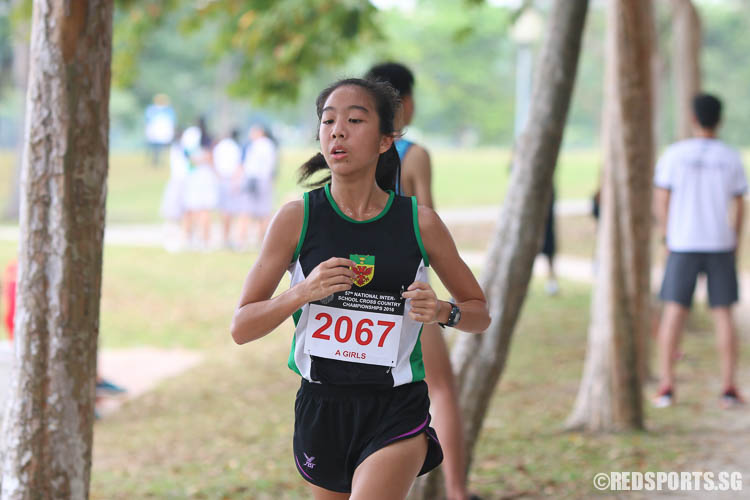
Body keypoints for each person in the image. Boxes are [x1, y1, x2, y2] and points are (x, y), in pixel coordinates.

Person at [231, 78, 490, 499]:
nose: (337, 130)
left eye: (354, 120)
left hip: (396, 406)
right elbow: (241, 327)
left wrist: (444, 311)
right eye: (328, 120)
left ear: (387, 140)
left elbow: (479, 312)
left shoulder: (419, 223)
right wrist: (302, 292)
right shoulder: (297, 219)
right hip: (322, 406)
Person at [365, 62, 475, 500]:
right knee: (442, 389)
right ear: (406, 104)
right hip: (409, 292)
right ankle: (457, 491)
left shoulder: (352, 148)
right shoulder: (415, 154)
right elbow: (427, 225)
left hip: (355, 293)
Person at [652, 93, 746, 410]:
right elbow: (740, 203)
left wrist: (666, 236)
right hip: (720, 243)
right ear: (719, 120)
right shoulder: (731, 157)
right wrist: (736, 240)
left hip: (683, 244)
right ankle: (729, 387)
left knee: (674, 314)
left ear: (693, 118)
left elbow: (661, 199)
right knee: (723, 315)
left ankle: (666, 385)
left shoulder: (674, 155)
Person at [242, 125, 278, 245]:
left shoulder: (257, 145)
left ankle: (243, 240)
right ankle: (262, 240)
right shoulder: (268, 145)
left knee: (250, 210)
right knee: (263, 211)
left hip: (255, 179)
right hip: (263, 179)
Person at [213, 129, 246, 248]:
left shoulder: (219, 146)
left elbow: (214, 163)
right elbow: (239, 165)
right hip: (232, 180)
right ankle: (231, 238)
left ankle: (225, 237)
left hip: (221, 179)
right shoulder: (235, 147)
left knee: (224, 210)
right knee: (232, 211)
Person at [144, 94, 176, 166]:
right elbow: (148, 120)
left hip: (163, 131)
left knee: (162, 147)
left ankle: (160, 160)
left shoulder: (168, 110)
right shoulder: (152, 109)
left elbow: (172, 121)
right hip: (154, 131)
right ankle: (154, 160)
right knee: (154, 147)